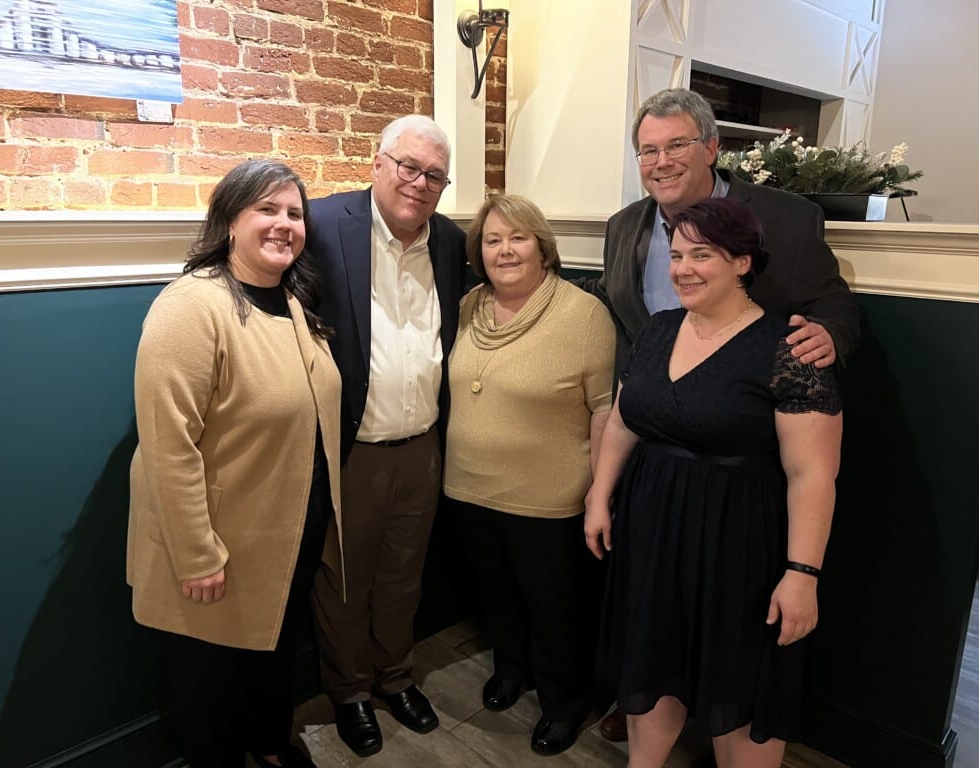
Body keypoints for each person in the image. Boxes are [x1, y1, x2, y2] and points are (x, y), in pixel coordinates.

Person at [591, 86, 859, 742]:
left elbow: (834, 303)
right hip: (656, 458)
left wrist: (829, 335)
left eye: (676, 144)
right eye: (647, 150)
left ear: (712, 147)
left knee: (735, 652)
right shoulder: (625, 226)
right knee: (653, 627)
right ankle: (647, 707)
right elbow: (628, 348)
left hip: (741, 477)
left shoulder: (786, 219)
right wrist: (603, 488)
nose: (661, 161)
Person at [127, 160, 342, 768]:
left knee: (272, 657)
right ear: (228, 222)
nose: (284, 225)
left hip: (284, 533)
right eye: (266, 210)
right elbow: (169, 446)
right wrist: (197, 554)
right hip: (216, 546)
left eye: (294, 213)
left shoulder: (294, 301)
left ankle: (269, 746)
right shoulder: (192, 307)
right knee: (209, 685)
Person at [307, 114, 465, 757]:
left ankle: (394, 677)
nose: (420, 183)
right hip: (351, 448)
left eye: (435, 175)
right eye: (409, 166)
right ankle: (350, 692)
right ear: (377, 163)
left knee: (404, 573)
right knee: (342, 579)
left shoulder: (453, 242)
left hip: (424, 445)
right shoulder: (321, 225)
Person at [444, 195, 616, 756]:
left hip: (549, 497)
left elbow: (603, 412)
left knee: (554, 605)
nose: (505, 250)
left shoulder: (583, 314)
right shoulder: (470, 306)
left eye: (517, 238)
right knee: (496, 591)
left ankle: (566, 701)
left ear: (543, 246)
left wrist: (599, 493)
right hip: (468, 486)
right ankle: (511, 669)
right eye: (492, 240)